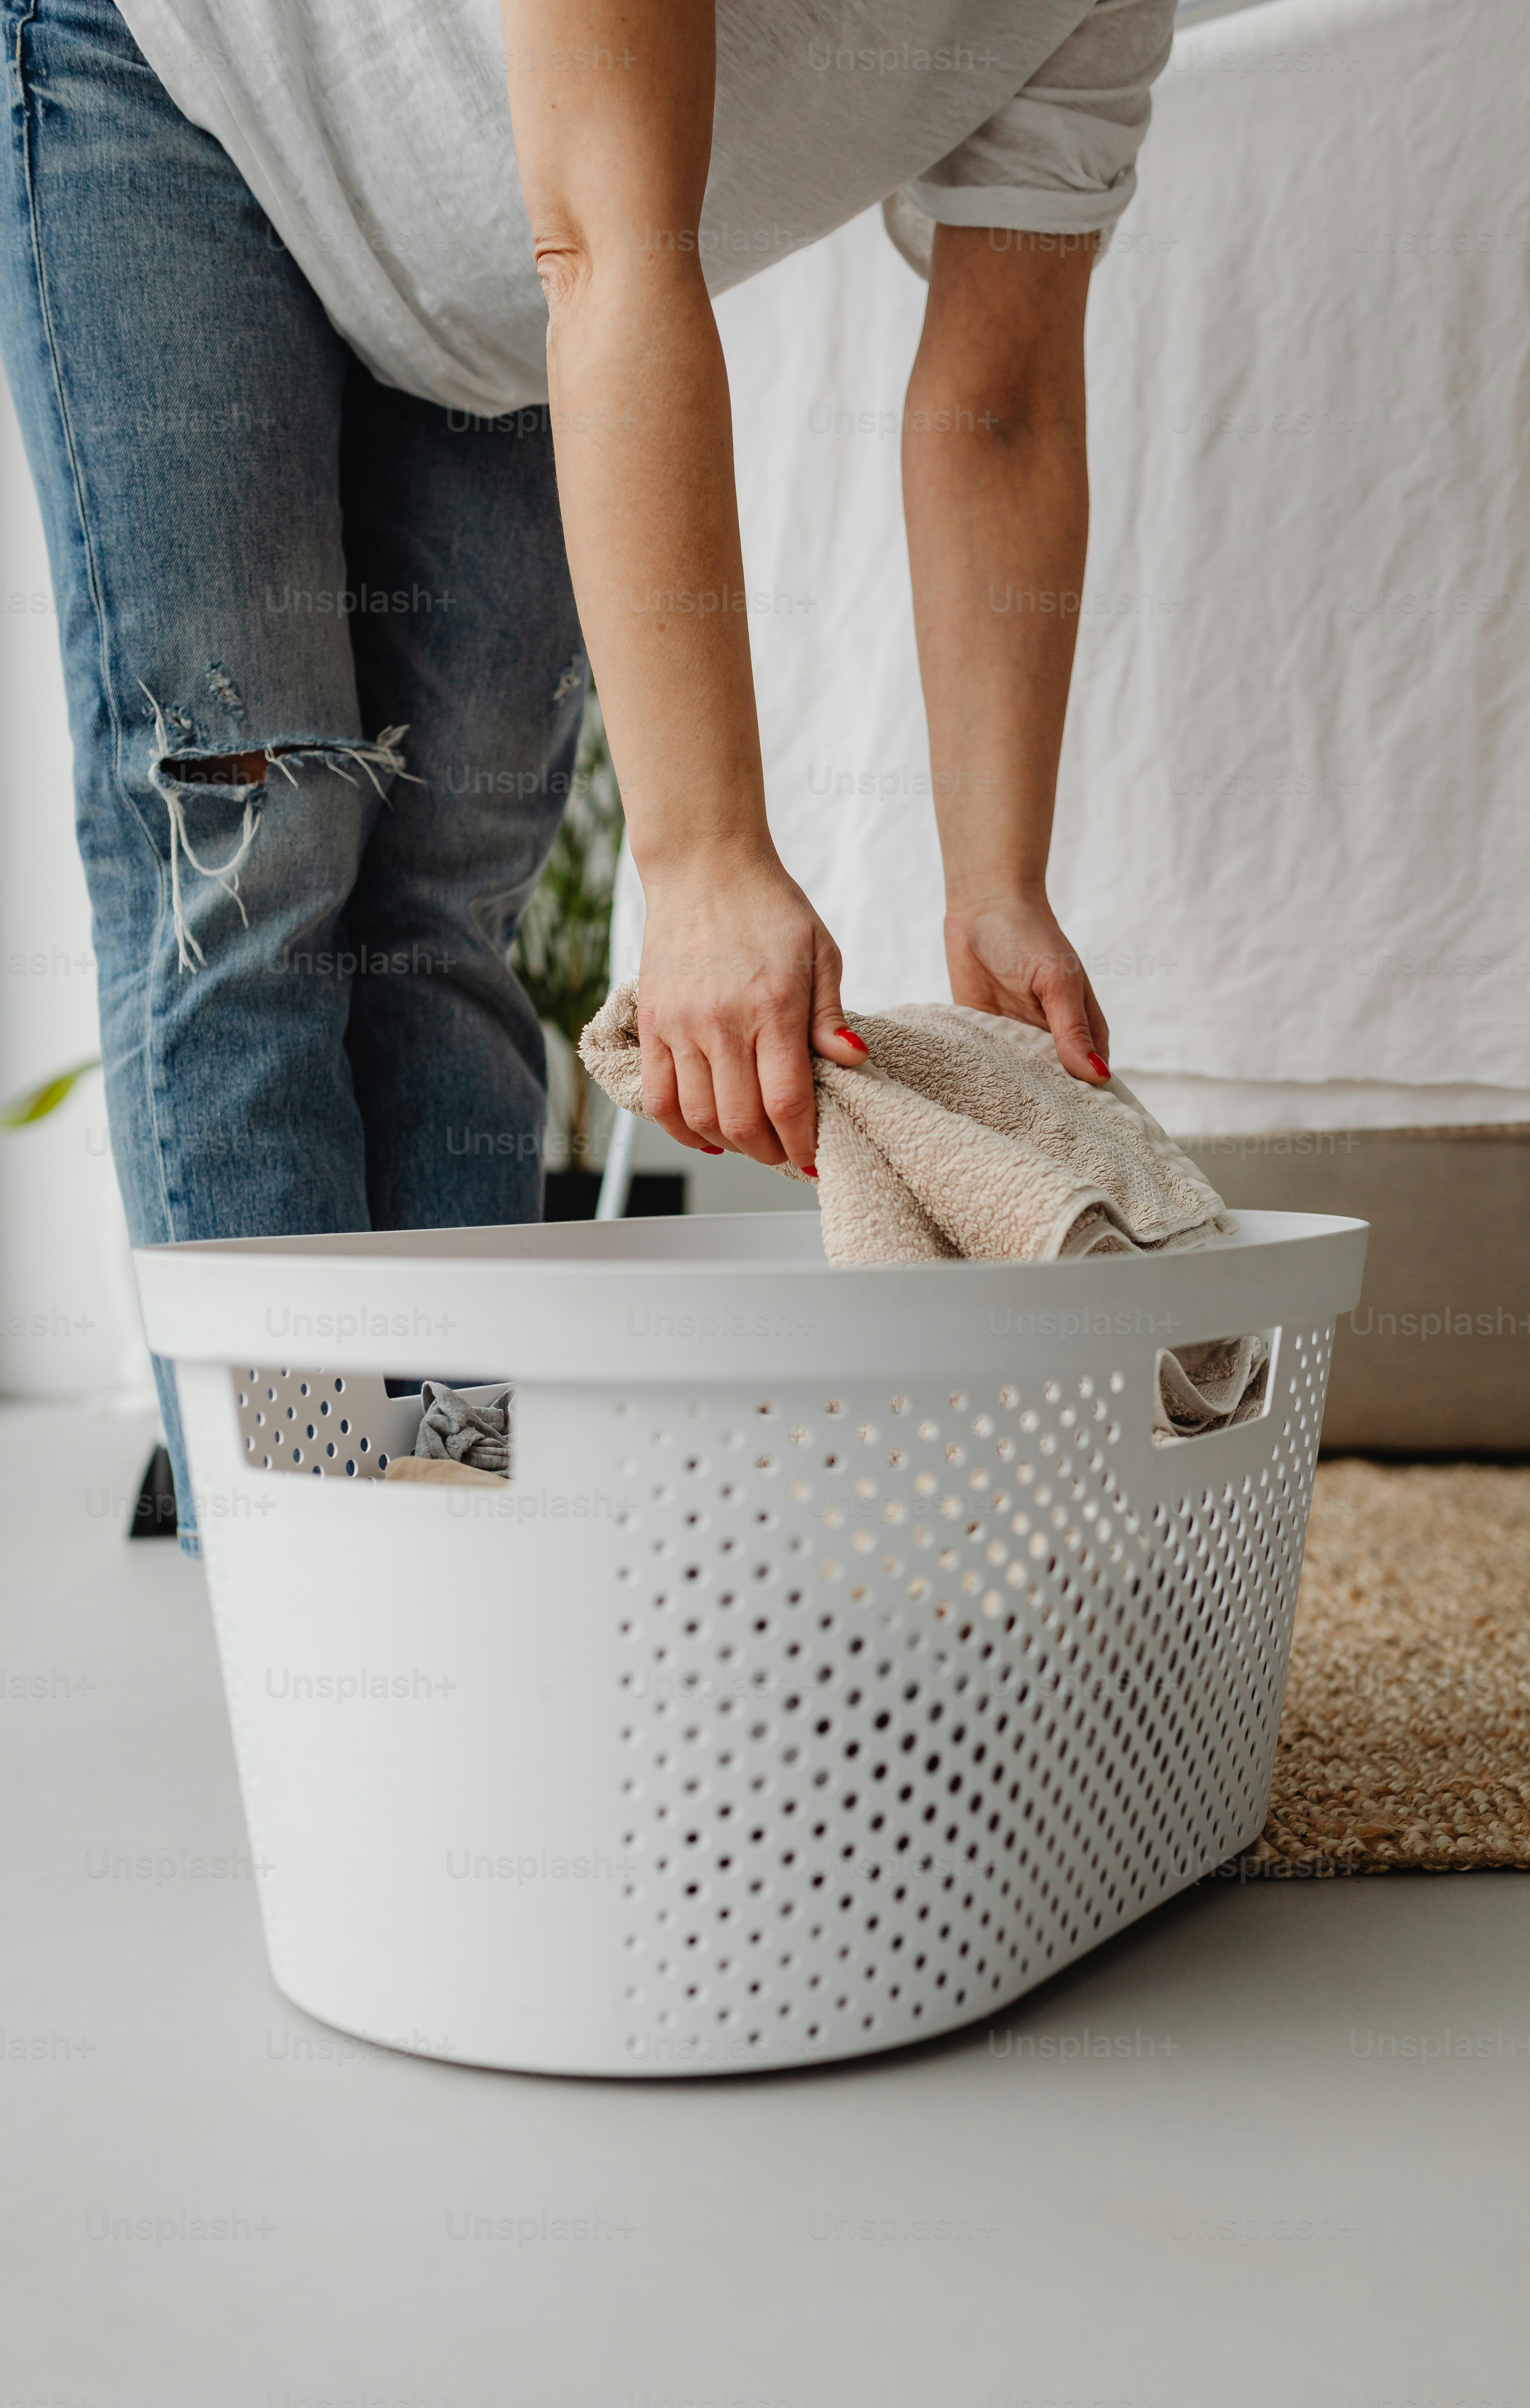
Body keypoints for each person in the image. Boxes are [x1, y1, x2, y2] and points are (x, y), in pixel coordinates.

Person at [0, 0, 1175, 1546]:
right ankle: (309, 1541)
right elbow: (610, 246)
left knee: (447, 895)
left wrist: (996, 877)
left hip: (488, 265)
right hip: (185, 75)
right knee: (249, 843)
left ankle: (437, 1522)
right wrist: (702, 861)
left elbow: (1002, 403)